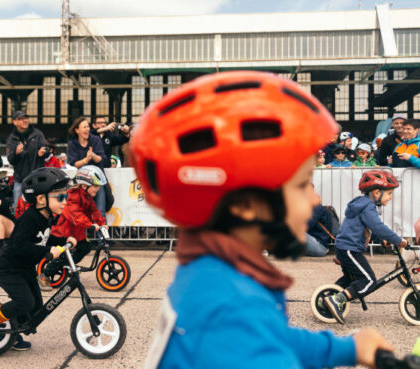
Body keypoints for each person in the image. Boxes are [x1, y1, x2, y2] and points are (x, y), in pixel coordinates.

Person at [132, 71, 392, 369]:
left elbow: (271, 337)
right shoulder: (229, 308)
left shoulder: (216, 276)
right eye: (302, 184)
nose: (315, 200)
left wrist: (348, 347)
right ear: (245, 204)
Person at [0, 167, 76, 354]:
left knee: (35, 307)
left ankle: (12, 334)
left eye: (66, 196)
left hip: (25, 269)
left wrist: (63, 241)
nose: (65, 201)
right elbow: (20, 246)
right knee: (25, 303)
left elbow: (43, 238)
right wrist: (47, 252)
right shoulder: (30, 218)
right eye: (60, 197)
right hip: (9, 270)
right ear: (41, 199)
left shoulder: (46, 217)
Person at [324, 170, 408, 325]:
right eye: (389, 193)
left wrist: (382, 239)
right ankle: (337, 300)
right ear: (376, 192)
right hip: (349, 249)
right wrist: (398, 240)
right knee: (368, 280)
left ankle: (327, 298)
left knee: (351, 279)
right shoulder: (368, 207)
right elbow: (378, 227)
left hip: (346, 247)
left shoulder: (362, 205)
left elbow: (364, 228)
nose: (390, 197)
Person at [40, 165, 107, 289]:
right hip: (64, 231)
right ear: (84, 185)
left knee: (86, 247)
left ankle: (70, 265)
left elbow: (94, 211)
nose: (97, 189)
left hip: (76, 232)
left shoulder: (87, 197)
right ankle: (44, 275)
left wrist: (102, 223)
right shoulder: (73, 195)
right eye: (96, 186)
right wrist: (90, 224)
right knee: (65, 254)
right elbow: (74, 214)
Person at [67, 117, 107, 217]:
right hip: (81, 181)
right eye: (84, 127)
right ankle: (83, 231)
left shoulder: (95, 140)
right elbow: (74, 163)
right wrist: (86, 159)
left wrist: (93, 155)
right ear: (77, 130)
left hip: (96, 180)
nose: (87, 129)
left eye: (88, 126)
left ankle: (101, 232)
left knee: (100, 209)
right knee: (78, 209)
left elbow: (102, 159)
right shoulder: (72, 143)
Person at [7, 111, 47, 210]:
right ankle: (18, 224)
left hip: (37, 178)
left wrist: (43, 153)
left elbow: (46, 149)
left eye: (26, 118)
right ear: (14, 122)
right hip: (20, 180)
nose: (25, 120)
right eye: (21, 119)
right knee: (18, 207)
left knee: (40, 206)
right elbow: (11, 160)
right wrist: (16, 153)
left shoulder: (38, 134)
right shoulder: (12, 138)